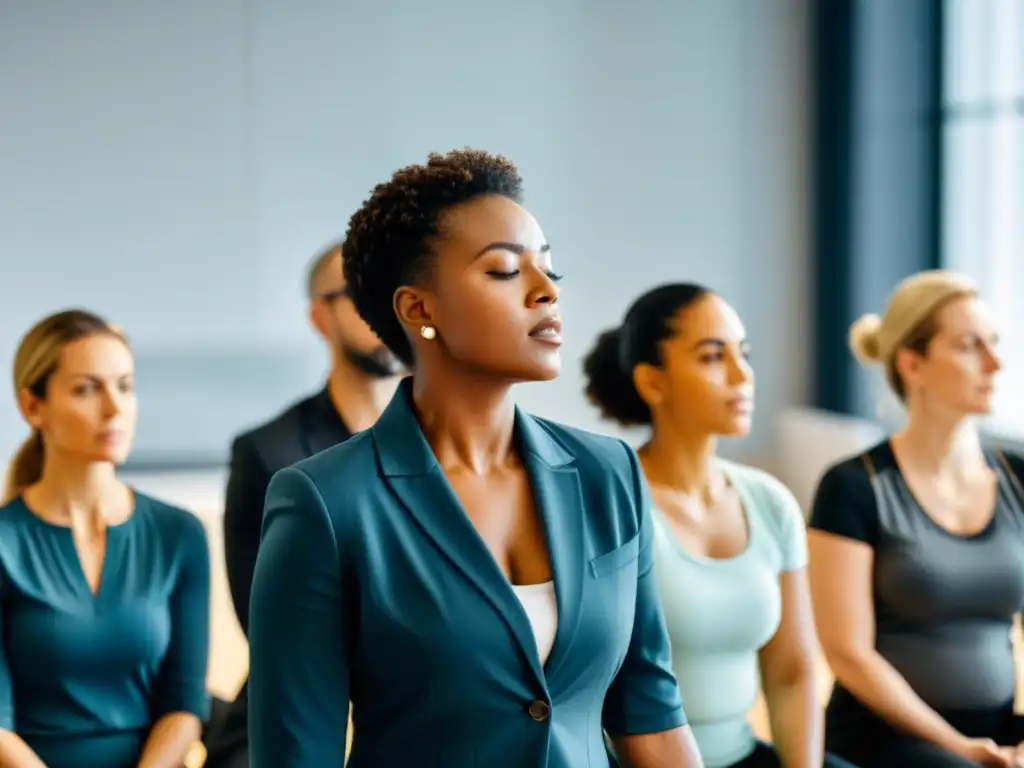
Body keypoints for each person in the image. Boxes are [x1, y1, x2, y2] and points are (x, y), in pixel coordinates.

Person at [246, 149, 703, 767]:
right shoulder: (325, 502)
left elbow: (649, 712)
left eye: (549, 270)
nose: (546, 293)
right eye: (504, 272)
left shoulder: (610, 473)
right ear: (418, 309)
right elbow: (299, 755)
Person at [582, 283, 854, 768]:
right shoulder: (611, 503)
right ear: (653, 382)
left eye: (743, 354)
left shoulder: (771, 502)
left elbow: (792, 671)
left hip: (747, 756)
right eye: (712, 357)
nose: (741, 375)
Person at [808, 270, 1024, 768]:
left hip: (994, 728)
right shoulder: (852, 486)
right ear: (912, 363)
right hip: (882, 738)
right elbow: (849, 655)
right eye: (970, 346)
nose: (995, 363)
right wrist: (961, 748)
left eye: (994, 344)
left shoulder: (1018, 477)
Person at [202, 241, 403, 768]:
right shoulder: (269, 453)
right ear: (320, 318)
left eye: (389, 290)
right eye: (358, 294)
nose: (379, 309)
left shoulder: (457, 444)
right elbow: (265, 619)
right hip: (303, 697)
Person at [0, 309, 211, 768]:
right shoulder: (5, 542)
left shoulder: (179, 534)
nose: (114, 408)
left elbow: (184, 702)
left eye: (125, 386)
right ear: (33, 407)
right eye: (86, 389)